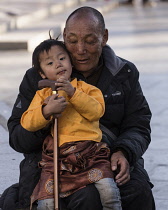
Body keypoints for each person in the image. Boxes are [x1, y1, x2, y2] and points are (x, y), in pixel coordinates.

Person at [0, 6, 155, 210]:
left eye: (90, 41)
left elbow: (139, 124)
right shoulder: (38, 77)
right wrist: (45, 116)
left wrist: (124, 151)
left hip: (106, 159)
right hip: (52, 164)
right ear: (64, 36)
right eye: (72, 41)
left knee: (137, 192)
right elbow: (17, 137)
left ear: (104, 37)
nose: (80, 49)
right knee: (81, 197)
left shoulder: (123, 73)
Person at [20, 38, 122, 210]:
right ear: (42, 74)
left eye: (62, 58)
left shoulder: (86, 89)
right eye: (50, 63)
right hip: (58, 159)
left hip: (91, 154)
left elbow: (96, 111)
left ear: (71, 63)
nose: (58, 64)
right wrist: (46, 111)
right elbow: (27, 123)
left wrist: (73, 93)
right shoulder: (42, 95)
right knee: (47, 202)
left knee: (109, 193)